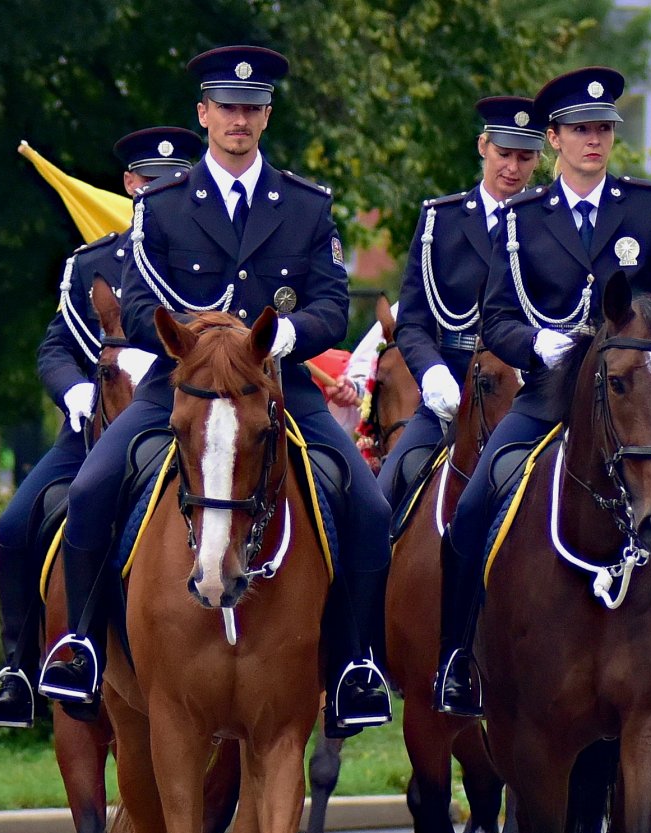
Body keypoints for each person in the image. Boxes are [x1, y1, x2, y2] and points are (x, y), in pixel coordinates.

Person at [37, 45, 394, 737]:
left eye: (252, 108)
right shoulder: (164, 206)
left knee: (370, 506)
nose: (239, 119)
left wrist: (285, 337)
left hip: (281, 388)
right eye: (227, 108)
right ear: (204, 114)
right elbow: (139, 307)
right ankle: (82, 644)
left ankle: (355, 663)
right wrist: (204, 340)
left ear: (266, 117)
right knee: (88, 491)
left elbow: (331, 304)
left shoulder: (306, 206)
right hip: (182, 386)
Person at [431, 66, 651, 716]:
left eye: (604, 129)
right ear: (555, 138)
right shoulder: (521, 218)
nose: (595, 140)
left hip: (641, 396)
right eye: (582, 130)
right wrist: (536, 345)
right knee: (476, 505)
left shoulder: (647, 207)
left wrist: (643, 328)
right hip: (550, 394)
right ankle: (457, 657)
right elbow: (498, 315)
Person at [0, 126, 202, 728]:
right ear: (131, 185)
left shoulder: (200, 260)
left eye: (174, 182)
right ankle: (21, 670)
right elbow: (55, 349)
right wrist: (73, 389)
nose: (160, 192)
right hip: (92, 431)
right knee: (15, 524)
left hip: (179, 431)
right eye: (150, 182)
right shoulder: (91, 263)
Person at [378, 95, 543, 517]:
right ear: (482, 146)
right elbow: (412, 323)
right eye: (503, 153)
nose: (512, 168)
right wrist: (431, 373)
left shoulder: (548, 221)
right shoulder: (441, 221)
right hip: (450, 388)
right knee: (379, 504)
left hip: (528, 389)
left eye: (525, 158)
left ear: (539, 160)